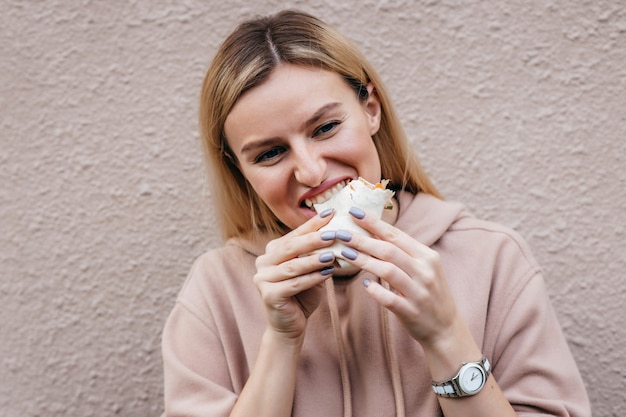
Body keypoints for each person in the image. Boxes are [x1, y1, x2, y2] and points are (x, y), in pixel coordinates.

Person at [161, 9, 591, 417]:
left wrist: (445, 337)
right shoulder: (216, 289)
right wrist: (281, 340)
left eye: (326, 127)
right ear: (240, 169)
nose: (311, 172)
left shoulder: (493, 259)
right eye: (271, 153)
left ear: (370, 109)